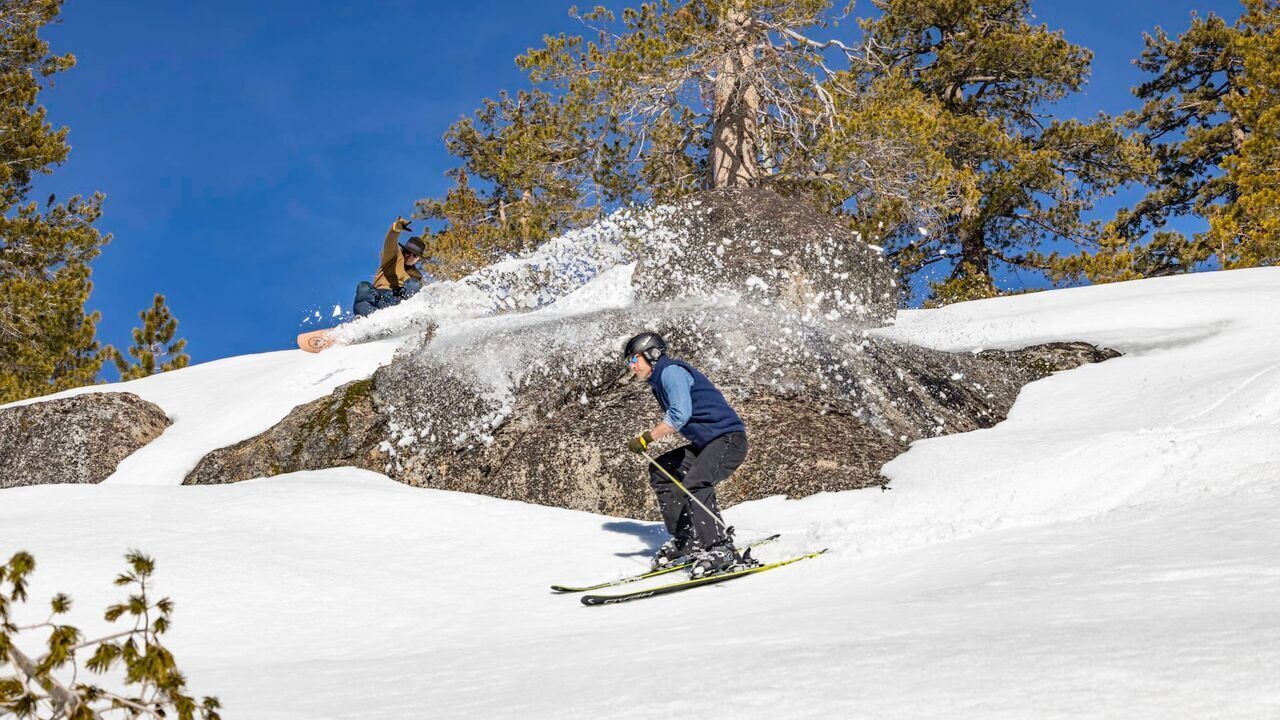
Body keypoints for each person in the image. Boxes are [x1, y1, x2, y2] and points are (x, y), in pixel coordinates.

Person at [624, 332, 749, 578]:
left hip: (728, 439)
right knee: (662, 471)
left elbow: (679, 415)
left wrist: (646, 438)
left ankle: (719, 546)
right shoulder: (659, 379)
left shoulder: (670, 372)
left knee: (696, 482)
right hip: (708, 443)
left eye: (633, 359)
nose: (632, 367)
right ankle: (688, 540)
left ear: (651, 354)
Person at [353, 216, 427, 317]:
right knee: (364, 286)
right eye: (408, 252)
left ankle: (405, 316)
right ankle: (366, 319)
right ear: (404, 251)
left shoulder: (416, 276)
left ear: (418, 258)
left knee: (414, 284)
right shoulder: (394, 256)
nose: (410, 256)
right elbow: (390, 243)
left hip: (398, 301)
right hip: (378, 297)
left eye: (414, 255)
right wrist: (395, 229)